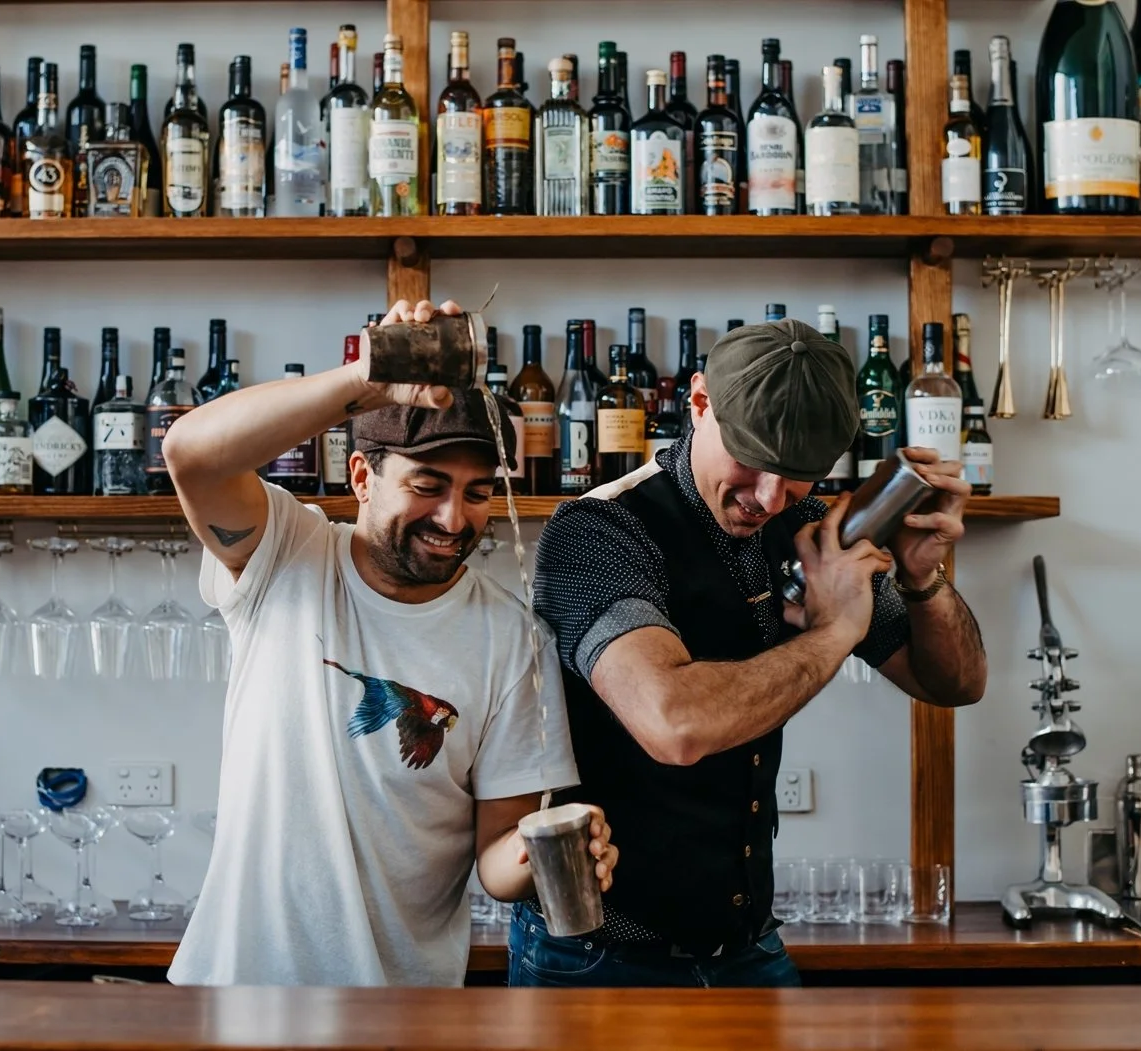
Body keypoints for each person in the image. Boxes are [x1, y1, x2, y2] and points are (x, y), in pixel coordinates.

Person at [515, 318, 986, 988]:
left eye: (798, 477)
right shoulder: (600, 529)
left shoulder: (807, 528)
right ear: (699, 401)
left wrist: (921, 577)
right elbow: (674, 725)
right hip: (598, 955)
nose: (768, 498)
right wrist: (835, 632)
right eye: (750, 458)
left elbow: (956, 684)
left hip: (746, 946)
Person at [163, 298, 617, 988]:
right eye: (427, 486)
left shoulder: (513, 638)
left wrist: (546, 847)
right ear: (361, 477)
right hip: (236, 992)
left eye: (477, 493)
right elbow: (189, 452)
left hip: (399, 1010)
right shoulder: (285, 555)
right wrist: (368, 379)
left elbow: (497, 856)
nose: (453, 519)